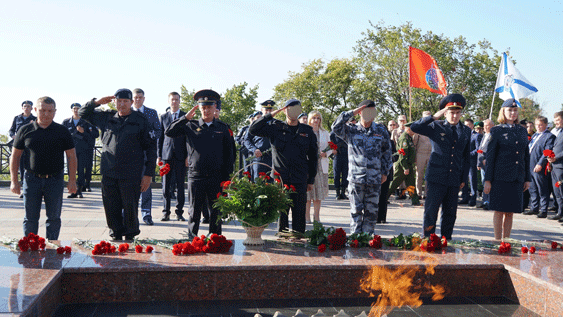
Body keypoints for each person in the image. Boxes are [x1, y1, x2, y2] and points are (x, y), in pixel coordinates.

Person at [79, 89, 157, 241]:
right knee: (110, 206)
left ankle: (130, 235)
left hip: (131, 172)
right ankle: (115, 233)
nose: (122, 104)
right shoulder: (106, 117)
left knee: (130, 206)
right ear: (114, 101)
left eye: (125, 101)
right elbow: (83, 113)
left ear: (131, 102)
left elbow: (151, 149)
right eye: (119, 101)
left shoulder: (140, 120)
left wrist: (148, 174)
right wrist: (96, 102)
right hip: (109, 171)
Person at [165, 89, 234, 237]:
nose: (206, 110)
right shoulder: (190, 125)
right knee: (194, 211)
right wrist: (185, 118)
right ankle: (192, 239)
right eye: (203, 107)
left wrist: (227, 178)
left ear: (215, 107)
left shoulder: (223, 128)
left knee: (216, 212)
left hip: (216, 177)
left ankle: (215, 240)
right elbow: (169, 132)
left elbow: (230, 154)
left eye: (209, 107)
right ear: (199, 108)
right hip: (196, 176)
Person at [10, 96, 77, 240]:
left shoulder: (62, 131)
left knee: (53, 218)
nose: (46, 114)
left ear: (55, 112)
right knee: (30, 218)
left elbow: (71, 156)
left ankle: (52, 249)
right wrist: (14, 181)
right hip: (31, 179)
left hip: (55, 180)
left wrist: (72, 180)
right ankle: (30, 248)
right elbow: (15, 156)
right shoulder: (25, 130)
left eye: (49, 111)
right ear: (35, 110)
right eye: (42, 110)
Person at [249, 99, 318, 233]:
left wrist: (311, 180)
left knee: (299, 214)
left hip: (300, 178)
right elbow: (253, 129)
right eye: (289, 108)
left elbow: (313, 157)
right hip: (280, 180)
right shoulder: (275, 128)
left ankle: (299, 241)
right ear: (285, 110)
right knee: (282, 215)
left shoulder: (307, 131)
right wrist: (270, 115)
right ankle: (283, 240)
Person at [410, 94, 471, 240]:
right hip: (436, 176)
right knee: (431, 211)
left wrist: (463, 178)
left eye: (457, 113)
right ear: (445, 112)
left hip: (454, 177)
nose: (454, 116)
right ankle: (428, 239)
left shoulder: (466, 130)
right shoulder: (436, 126)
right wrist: (433, 117)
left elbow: (466, 157)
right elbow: (414, 127)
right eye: (451, 112)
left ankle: (446, 240)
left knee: (450, 212)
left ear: (461, 113)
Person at [332, 100, 392, 235]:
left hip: (374, 178)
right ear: (360, 112)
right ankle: (355, 240)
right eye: (365, 111)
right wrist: (352, 112)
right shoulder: (351, 129)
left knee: (371, 213)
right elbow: (335, 126)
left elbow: (387, 152)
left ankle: (367, 240)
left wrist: (384, 172)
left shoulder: (381, 130)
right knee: (356, 211)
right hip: (356, 178)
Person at [484, 98, 531, 241]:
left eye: (515, 110)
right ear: (503, 112)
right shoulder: (496, 130)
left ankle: (507, 241)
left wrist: (527, 178)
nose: (513, 113)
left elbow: (526, 156)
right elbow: (490, 157)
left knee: (510, 212)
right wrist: (487, 180)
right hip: (500, 177)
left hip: (517, 177)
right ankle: (498, 241)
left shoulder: (522, 131)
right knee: (499, 211)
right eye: (510, 110)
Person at [131, 88, 161, 226]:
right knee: (129, 187)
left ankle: (146, 214)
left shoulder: (151, 112)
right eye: (135, 97)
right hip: (129, 156)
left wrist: (147, 138)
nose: (137, 99)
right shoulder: (127, 112)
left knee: (146, 186)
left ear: (143, 99)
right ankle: (129, 214)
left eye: (140, 97)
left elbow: (158, 131)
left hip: (146, 155)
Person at [157, 92, 187, 222]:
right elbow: (160, 138)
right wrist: (159, 156)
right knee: (165, 186)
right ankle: (166, 212)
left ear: (179, 101)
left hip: (181, 156)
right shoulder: (163, 117)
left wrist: (187, 156)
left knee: (180, 185)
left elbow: (188, 138)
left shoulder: (185, 116)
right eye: (172, 100)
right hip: (166, 156)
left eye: (176, 99)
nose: (174, 102)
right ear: (169, 101)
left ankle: (179, 212)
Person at [62, 103, 99, 198]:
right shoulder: (66, 122)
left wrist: (84, 132)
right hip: (70, 150)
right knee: (71, 170)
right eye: (74, 108)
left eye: (78, 108)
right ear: (71, 110)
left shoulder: (86, 122)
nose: (76, 110)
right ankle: (72, 190)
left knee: (81, 170)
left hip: (83, 149)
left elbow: (93, 135)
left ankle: (79, 190)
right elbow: (62, 135)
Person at [524, 116, 555, 219]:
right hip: (530, 164)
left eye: (541, 125)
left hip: (539, 166)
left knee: (542, 188)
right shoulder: (534, 136)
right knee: (532, 188)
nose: (538, 127)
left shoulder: (549, 136)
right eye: (537, 125)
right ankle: (534, 207)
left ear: (546, 125)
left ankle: (544, 209)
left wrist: (540, 163)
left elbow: (547, 152)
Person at [305, 111, 332, 223]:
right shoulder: (305, 131)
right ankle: (307, 217)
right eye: (314, 118)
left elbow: (331, 146)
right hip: (308, 165)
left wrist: (325, 154)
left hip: (321, 166)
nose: (316, 120)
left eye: (318, 118)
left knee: (318, 195)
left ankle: (317, 217)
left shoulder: (325, 132)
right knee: (308, 194)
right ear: (310, 119)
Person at [387, 122, 420, 206]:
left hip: (408, 164)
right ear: (408, 129)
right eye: (413, 129)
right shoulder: (404, 139)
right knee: (394, 183)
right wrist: (405, 167)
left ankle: (415, 201)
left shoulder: (409, 138)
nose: (415, 131)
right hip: (402, 165)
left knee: (411, 183)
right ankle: (382, 198)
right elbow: (402, 154)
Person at [9, 101, 37, 192]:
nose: (26, 108)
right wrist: (13, 136)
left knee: (30, 166)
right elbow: (11, 130)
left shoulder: (35, 118)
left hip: (30, 146)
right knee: (21, 167)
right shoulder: (17, 118)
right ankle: (23, 188)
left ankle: (31, 187)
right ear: (22, 108)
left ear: (32, 108)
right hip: (19, 145)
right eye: (24, 106)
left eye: (28, 106)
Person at [244, 101, 275, 182]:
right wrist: (254, 149)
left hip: (273, 159)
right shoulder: (255, 124)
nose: (269, 112)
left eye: (270, 110)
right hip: (259, 158)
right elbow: (246, 140)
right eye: (266, 110)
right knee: (258, 184)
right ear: (262, 110)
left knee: (272, 187)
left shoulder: (277, 124)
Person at [330, 117, 353, 200]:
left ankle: (343, 192)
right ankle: (337, 193)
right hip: (337, 155)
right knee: (336, 175)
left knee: (345, 175)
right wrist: (333, 149)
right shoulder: (333, 133)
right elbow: (329, 143)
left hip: (346, 155)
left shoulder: (348, 132)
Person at [460, 118, 480, 206]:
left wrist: (469, 154)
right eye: (465, 125)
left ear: (472, 126)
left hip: (471, 160)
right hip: (463, 161)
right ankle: (465, 197)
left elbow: (478, 149)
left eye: (469, 125)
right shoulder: (463, 134)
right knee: (463, 179)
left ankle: (473, 198)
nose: (467, 126)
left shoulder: (476, 136)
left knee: (472, 179)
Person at [413, 111, 432, 199]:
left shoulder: (434, 127)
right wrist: (414, 157)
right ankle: (418, 193)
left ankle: (427, 193)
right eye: (425, 117)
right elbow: (414, 144)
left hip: (431, 154)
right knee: (419, 174)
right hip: (420, 154)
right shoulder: (418, 129)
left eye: (428, 117)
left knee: (429, 175)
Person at [548, 111, 563, 224]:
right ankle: (560, 212)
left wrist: (556, 157)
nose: (555, 122)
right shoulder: (559, 132)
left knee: (562, 190)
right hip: (554, 166)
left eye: (558, 120)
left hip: (561, 165)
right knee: (556, 191)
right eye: (555, 120)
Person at [477, 119, 494, 210]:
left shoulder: (493, 136)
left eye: (487, 125)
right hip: (482, 163)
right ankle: (484, 201)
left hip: (488, 162)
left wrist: (487, 159)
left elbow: (492, 150)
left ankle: (489, 202)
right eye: (484, 125)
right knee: (484, 182)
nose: (485, 127)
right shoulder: (484, 135)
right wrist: (478, 163)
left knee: (488, 182)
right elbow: (480, 150)